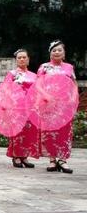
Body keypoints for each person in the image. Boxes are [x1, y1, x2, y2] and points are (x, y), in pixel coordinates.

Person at [37, 40, 75, 174]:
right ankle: (52, 159)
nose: (57, 52)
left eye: (59, 50)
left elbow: (73, 84)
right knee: (50, 132)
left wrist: (72, 98)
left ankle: (63, 160)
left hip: (65, 104)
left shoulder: (69, 67)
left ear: (64, 53)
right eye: (54, 50)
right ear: (50, 53)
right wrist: (46, 95)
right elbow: (38, 85)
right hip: (48, 103)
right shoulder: (44, 67)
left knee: (64, 131)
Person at [4, 49, 39, 168]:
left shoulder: (34, 76)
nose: (22, 59)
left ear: (28, 59)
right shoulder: (12, 74)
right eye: (19, 57)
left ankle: (25, 156)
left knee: (29, 132)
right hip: (16, 107)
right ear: (16, 60)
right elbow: (6, 90)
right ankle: (16, 155)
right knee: (17, 131)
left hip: (30, 108)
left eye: (24, 57)